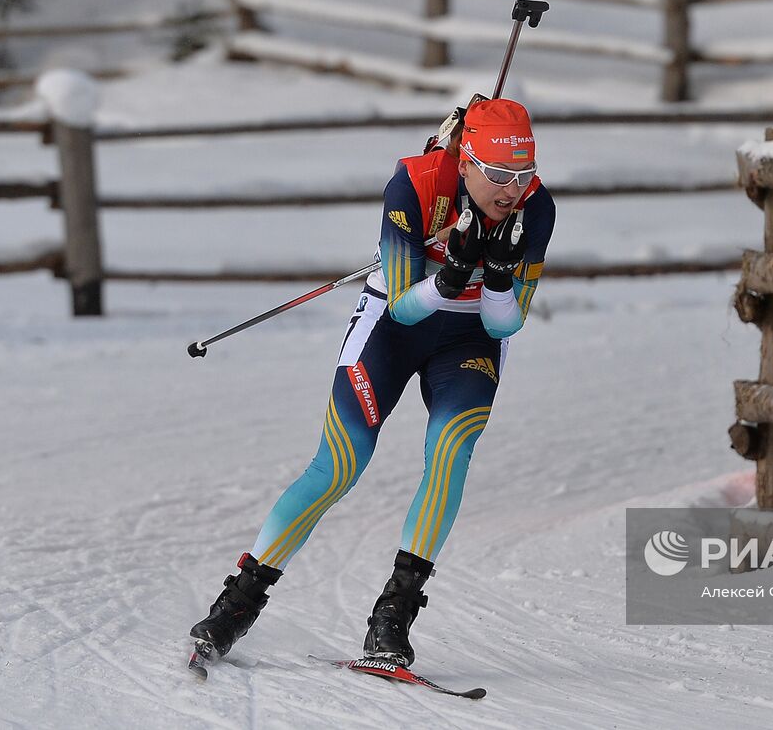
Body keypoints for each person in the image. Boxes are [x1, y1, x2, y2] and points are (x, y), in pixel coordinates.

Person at [189, 98, 555, 668]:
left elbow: (506, 323)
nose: (512, 189)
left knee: (451, 450)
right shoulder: (418, 184)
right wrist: (454, 273)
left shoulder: (537, 210)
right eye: (499, 175)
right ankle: (235, 606)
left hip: (469, 340)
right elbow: (407, 311)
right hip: (392, 326)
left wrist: (500, 278)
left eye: (524, 173)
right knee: (339, 464)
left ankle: (393, 617)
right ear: (464, 162)